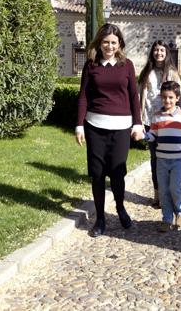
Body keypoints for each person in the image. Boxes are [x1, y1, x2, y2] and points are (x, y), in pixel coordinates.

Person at [75, 23, 144, 238]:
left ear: (119, 44)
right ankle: (100, 219)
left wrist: (138, 123)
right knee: (97, 174)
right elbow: (84, 96)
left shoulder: (127, 65)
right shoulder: (90, 65)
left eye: (114, 42)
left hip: (121, 128)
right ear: (99, 43)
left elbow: (134, 96)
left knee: (117, 172)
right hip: (95, 127)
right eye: (106, 42)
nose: (109, 46)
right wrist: (79, 125)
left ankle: (121, 208)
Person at [138, 40, 181, 209]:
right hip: (150, 119)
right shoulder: (146, 71)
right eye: (156, 50)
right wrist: (139, 119)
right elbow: (139, 93)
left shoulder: (172, 72)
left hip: (168, 120)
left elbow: (178, 95)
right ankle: (157, 194)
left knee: (170, 157)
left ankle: (171, 193)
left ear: (166, 53)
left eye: (162, 50)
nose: (159, 53)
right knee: (154, 158)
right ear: (152, 52)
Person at [145, 81, 181, 232]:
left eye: (171, 97)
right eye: (164, 97)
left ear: (177, 97)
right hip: (161, 160)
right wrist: (142, 135)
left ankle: (180, 212)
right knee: (164, 189)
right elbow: (152, 135)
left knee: (175, 188)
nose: (167, 100)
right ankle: (166, 218)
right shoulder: (156, 117)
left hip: (178, 160)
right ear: (161, 97)